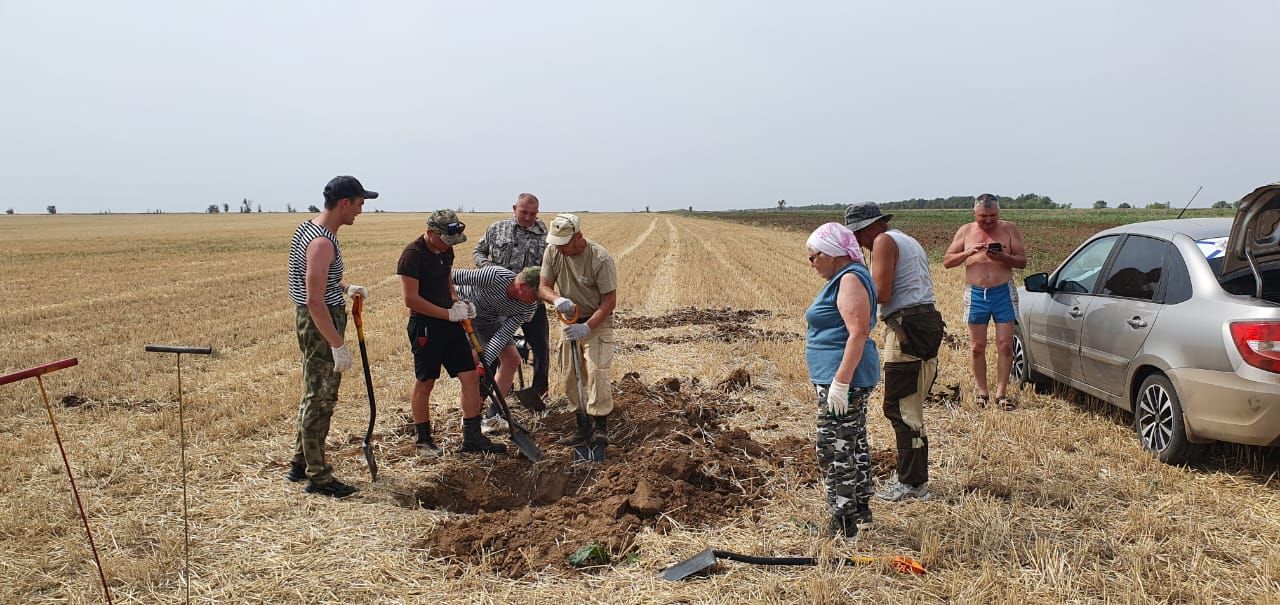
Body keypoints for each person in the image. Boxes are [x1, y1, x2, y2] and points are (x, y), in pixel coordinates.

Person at [846, 202, 945, 503]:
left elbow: (884, 292)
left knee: (901, 408)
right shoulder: (906, 239)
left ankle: (913, 484)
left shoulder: (883, 241)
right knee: (909, 406)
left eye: (857, 234)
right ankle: (911, 477)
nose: (859, 242)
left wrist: (853, 291)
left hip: (906, 326)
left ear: (869, 227)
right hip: (922, 322)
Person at [285, 175, 377, 499]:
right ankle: (319, 477)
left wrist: (344, 287)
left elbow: (319, 282)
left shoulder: (309, 228)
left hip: (316, 319)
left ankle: (300, 462)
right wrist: (337, 344)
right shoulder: (322, 242)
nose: (361, 211)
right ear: (344, 204)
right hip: (320, 323)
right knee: (321, 399)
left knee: (313, 392)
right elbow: (313, 300)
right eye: (360, 204)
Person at [397, 209, 506, 457]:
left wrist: (458, 302)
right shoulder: (412, 255)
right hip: (425, 325)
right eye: (446, 240)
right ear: (430, 233)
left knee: (469, 376)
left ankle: (472, 437)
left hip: (451, 324)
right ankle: (423, 440)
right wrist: (445, 314)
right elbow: (411, 299)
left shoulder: (447, 249)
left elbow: (447, 281)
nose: (449, 246)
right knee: (426, 381)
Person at [804, 222, 880, 538]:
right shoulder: (847, 276)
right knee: (852, 441)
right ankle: (860, 511)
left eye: (814, 256)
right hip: (842, 376)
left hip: (843, 378)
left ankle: (843, 521)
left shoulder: (849, 279)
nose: (811, 263)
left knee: (834, 448)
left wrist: (841, 382)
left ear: (832, 253)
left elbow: (858, 332)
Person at [538, 213, 617, 449]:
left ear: (578, 237)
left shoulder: (599, 258)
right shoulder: (553, 251)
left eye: (563, 244)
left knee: (596, 372)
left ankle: (600, 427)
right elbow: (543, 287)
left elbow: (609, 302)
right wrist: (557, 299)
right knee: (571, 375)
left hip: (596, 321)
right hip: (568, 321)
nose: (559, 248)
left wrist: (587, 327)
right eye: (556, 243)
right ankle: (581, 427)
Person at [942, 194, 1027, 411]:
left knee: (1005, 344)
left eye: (993, 216)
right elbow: (947, 262)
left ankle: (1001, 393)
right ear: (974, 214)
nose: (988, 221)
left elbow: (1022, 261)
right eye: (983, 216)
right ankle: (982, 392)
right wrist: (968, 252)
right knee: (977, 346)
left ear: (999, 212)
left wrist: (1003, 258)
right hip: (977, 294)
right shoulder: (965, 231)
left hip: (1003, 292)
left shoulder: (1009, 229)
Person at [472, 193, 550, 417]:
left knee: (541, 346)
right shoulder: (497, 229)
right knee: (495, 348)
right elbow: (478, 252)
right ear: (515, 208)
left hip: (530, 302)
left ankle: (540, 390)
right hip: (498, 300)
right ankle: (486, 393)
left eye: (532, 214)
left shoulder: (545, 235)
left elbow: (552, 267)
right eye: (524, 212)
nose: (528, 217)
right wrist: (487, 267)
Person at [451, 265, 541, 435]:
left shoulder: (528, 306)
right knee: (471, 366)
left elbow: (502, 335)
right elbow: (450, 276)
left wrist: (485, 366)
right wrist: (454, 301)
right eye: (535, 295)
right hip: (465, 315)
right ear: (521, 287)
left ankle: (493, 414)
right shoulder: (494, 276)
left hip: (490, 321)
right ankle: (469, 420)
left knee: (512, 360)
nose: (536, 300)